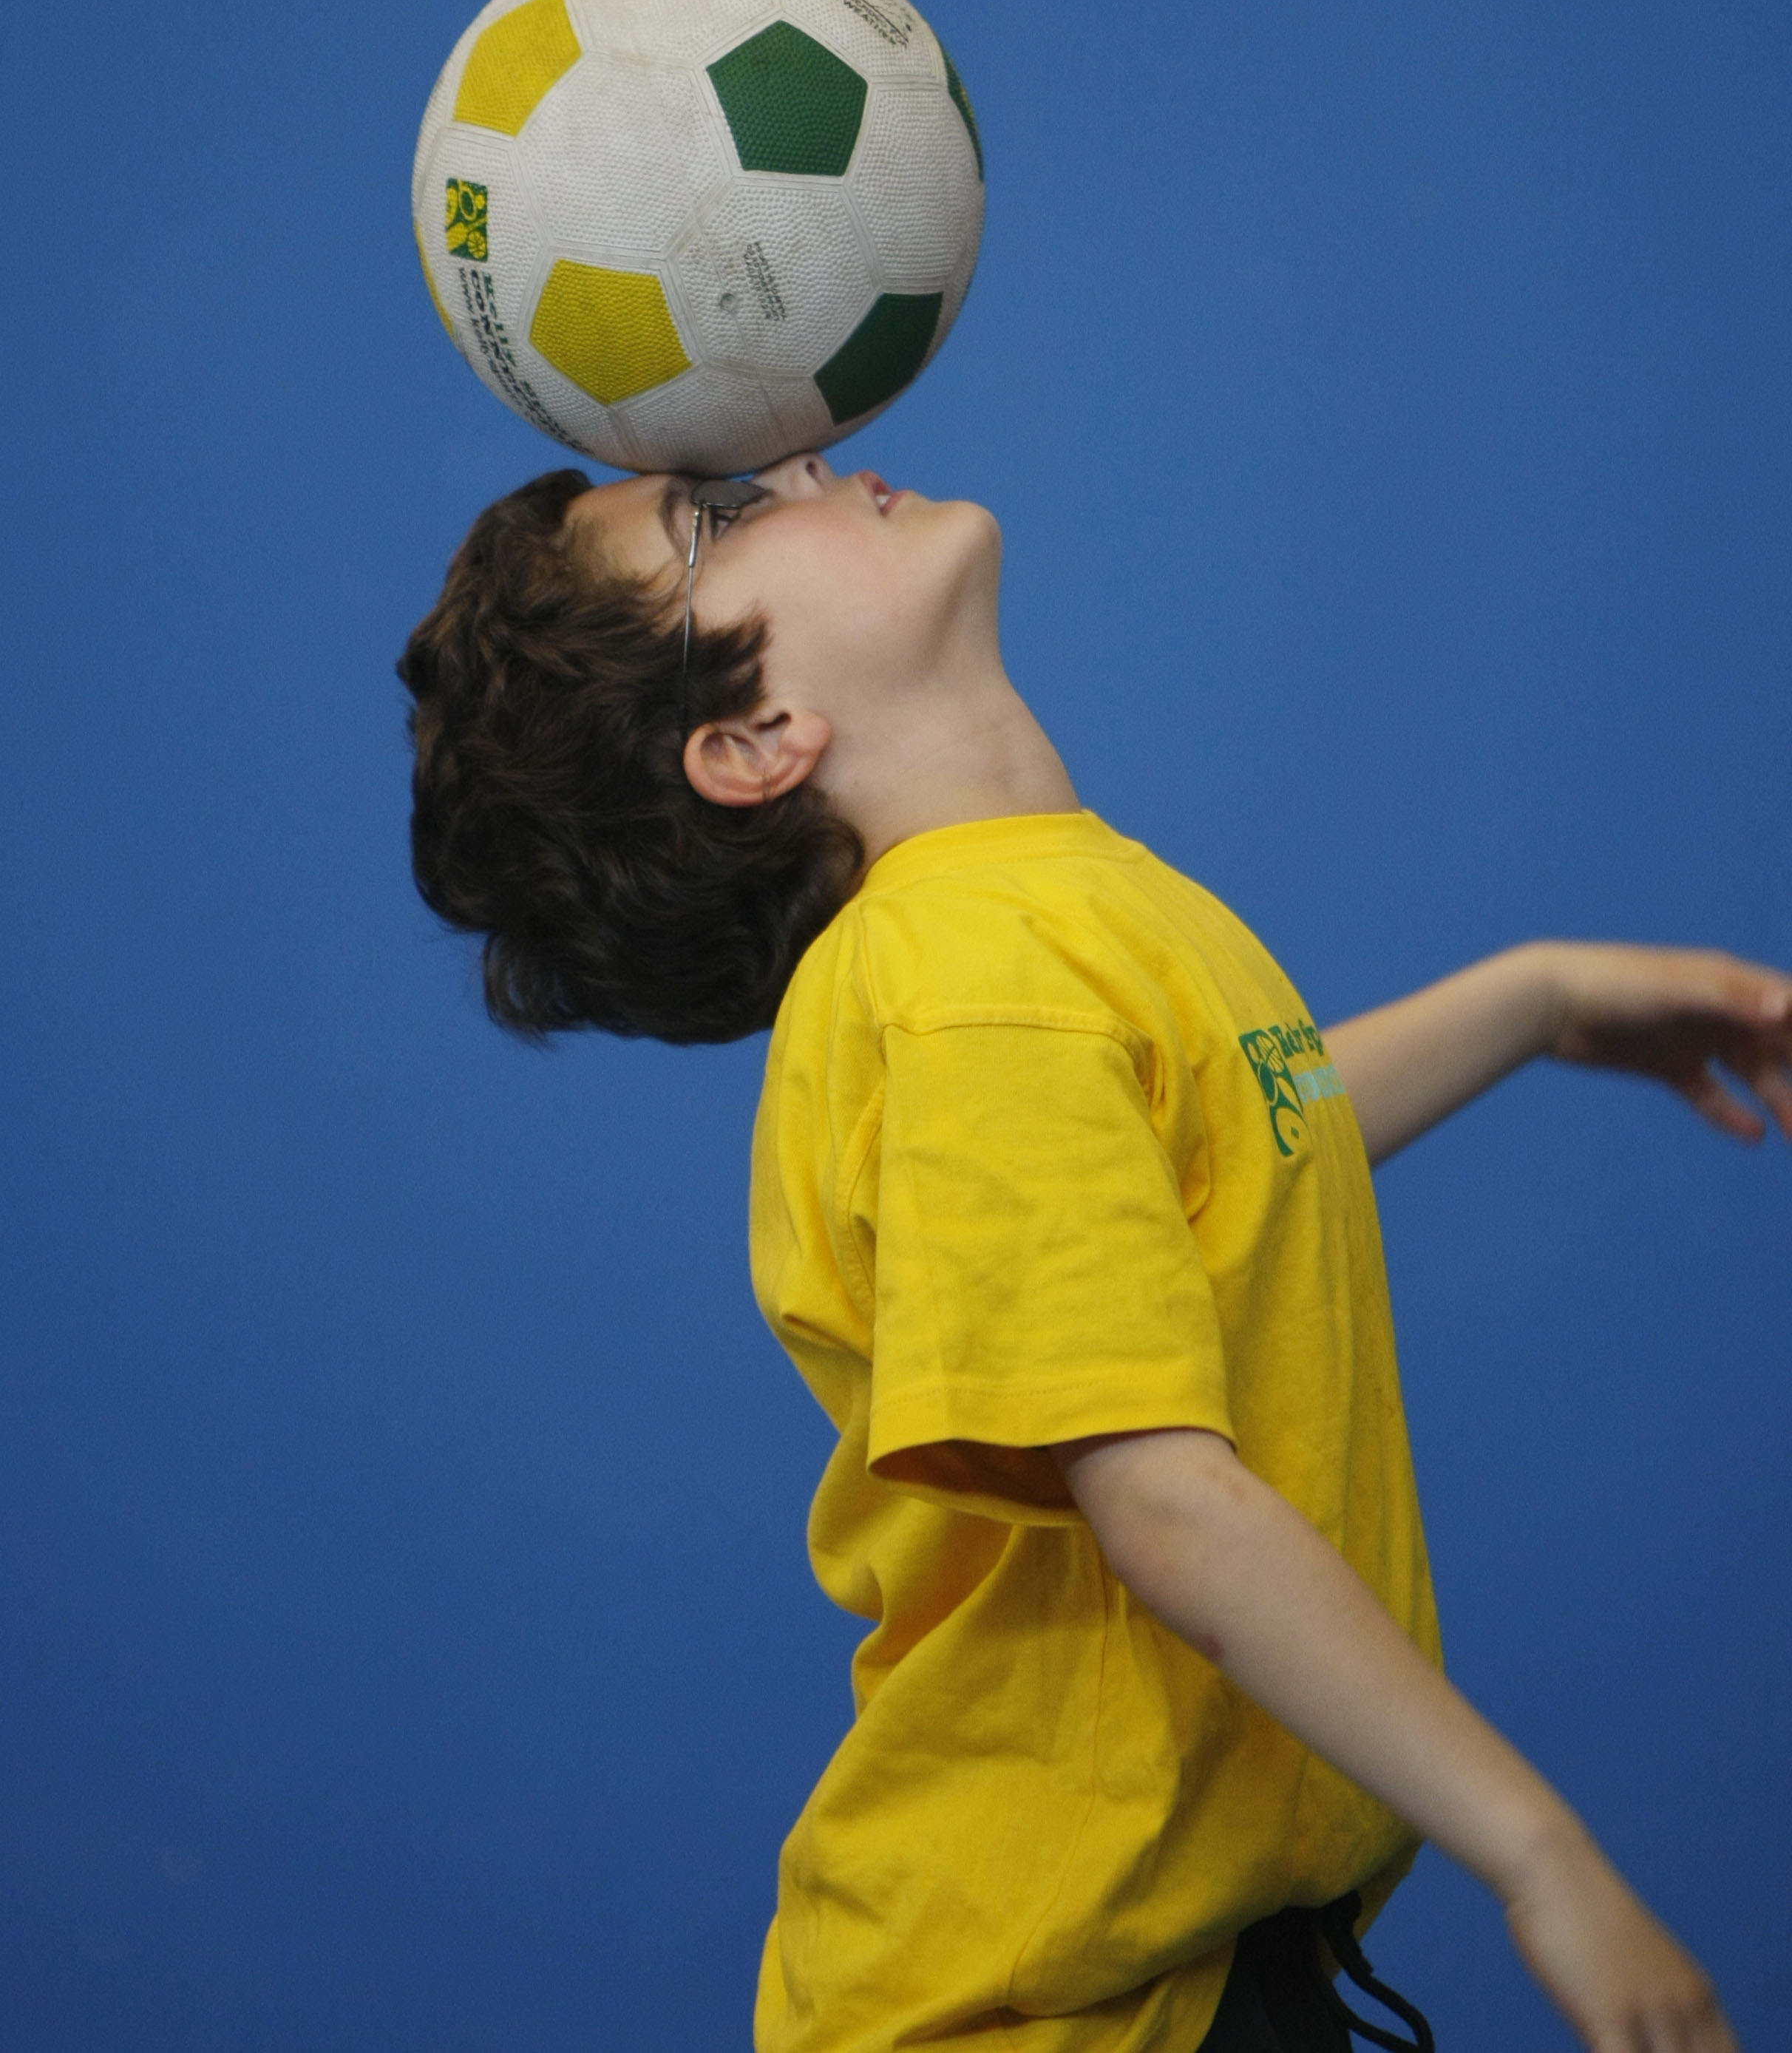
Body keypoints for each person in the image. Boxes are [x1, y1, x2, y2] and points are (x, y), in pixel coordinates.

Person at [398, 451, 1790, 2053]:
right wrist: (1541, 1855)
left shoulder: (1032, 919)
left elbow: (1229, 1156)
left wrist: (1536, 999)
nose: (802, 452)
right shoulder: (965, 980)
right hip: (1042, 2008)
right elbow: (1166, 1504)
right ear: (755, 736)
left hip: (1155, 1972)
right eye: (723, 513)